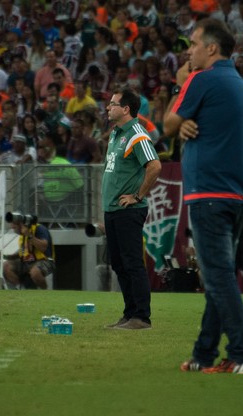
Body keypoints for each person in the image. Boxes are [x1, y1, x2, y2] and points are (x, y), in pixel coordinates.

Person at [163, 18, 243, 373]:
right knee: (220, 275)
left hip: (208, 193)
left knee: (217, 278)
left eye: (195, 44)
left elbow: (168, 123)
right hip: (238, 195)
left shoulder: (202, 80)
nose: (190, 50)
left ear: (212, 48)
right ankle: (203, 355)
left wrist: (181, 107)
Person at [103, 88, 161, 330]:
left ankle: (141, 316)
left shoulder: (137, 134)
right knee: (119, 263)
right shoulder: (116, 133)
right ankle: (129, 314)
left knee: (132, 262)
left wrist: (137, 196)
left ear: (126, 109)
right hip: (113, 209)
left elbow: (155, 166)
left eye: (113, 104)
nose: (108, 107)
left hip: (128, 210)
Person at [3, 215, 55, 290]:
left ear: (21, 224)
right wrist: (6, 256)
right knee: (6, 266)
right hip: (27, 261)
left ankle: (45, 292)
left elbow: (44, 247)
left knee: (35, 272)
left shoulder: (39, 229)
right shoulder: (22, 235)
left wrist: (29, 235)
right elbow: (22, 254)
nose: (12, 227)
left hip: (45, 260)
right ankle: (21, 290)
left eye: (14, 226)